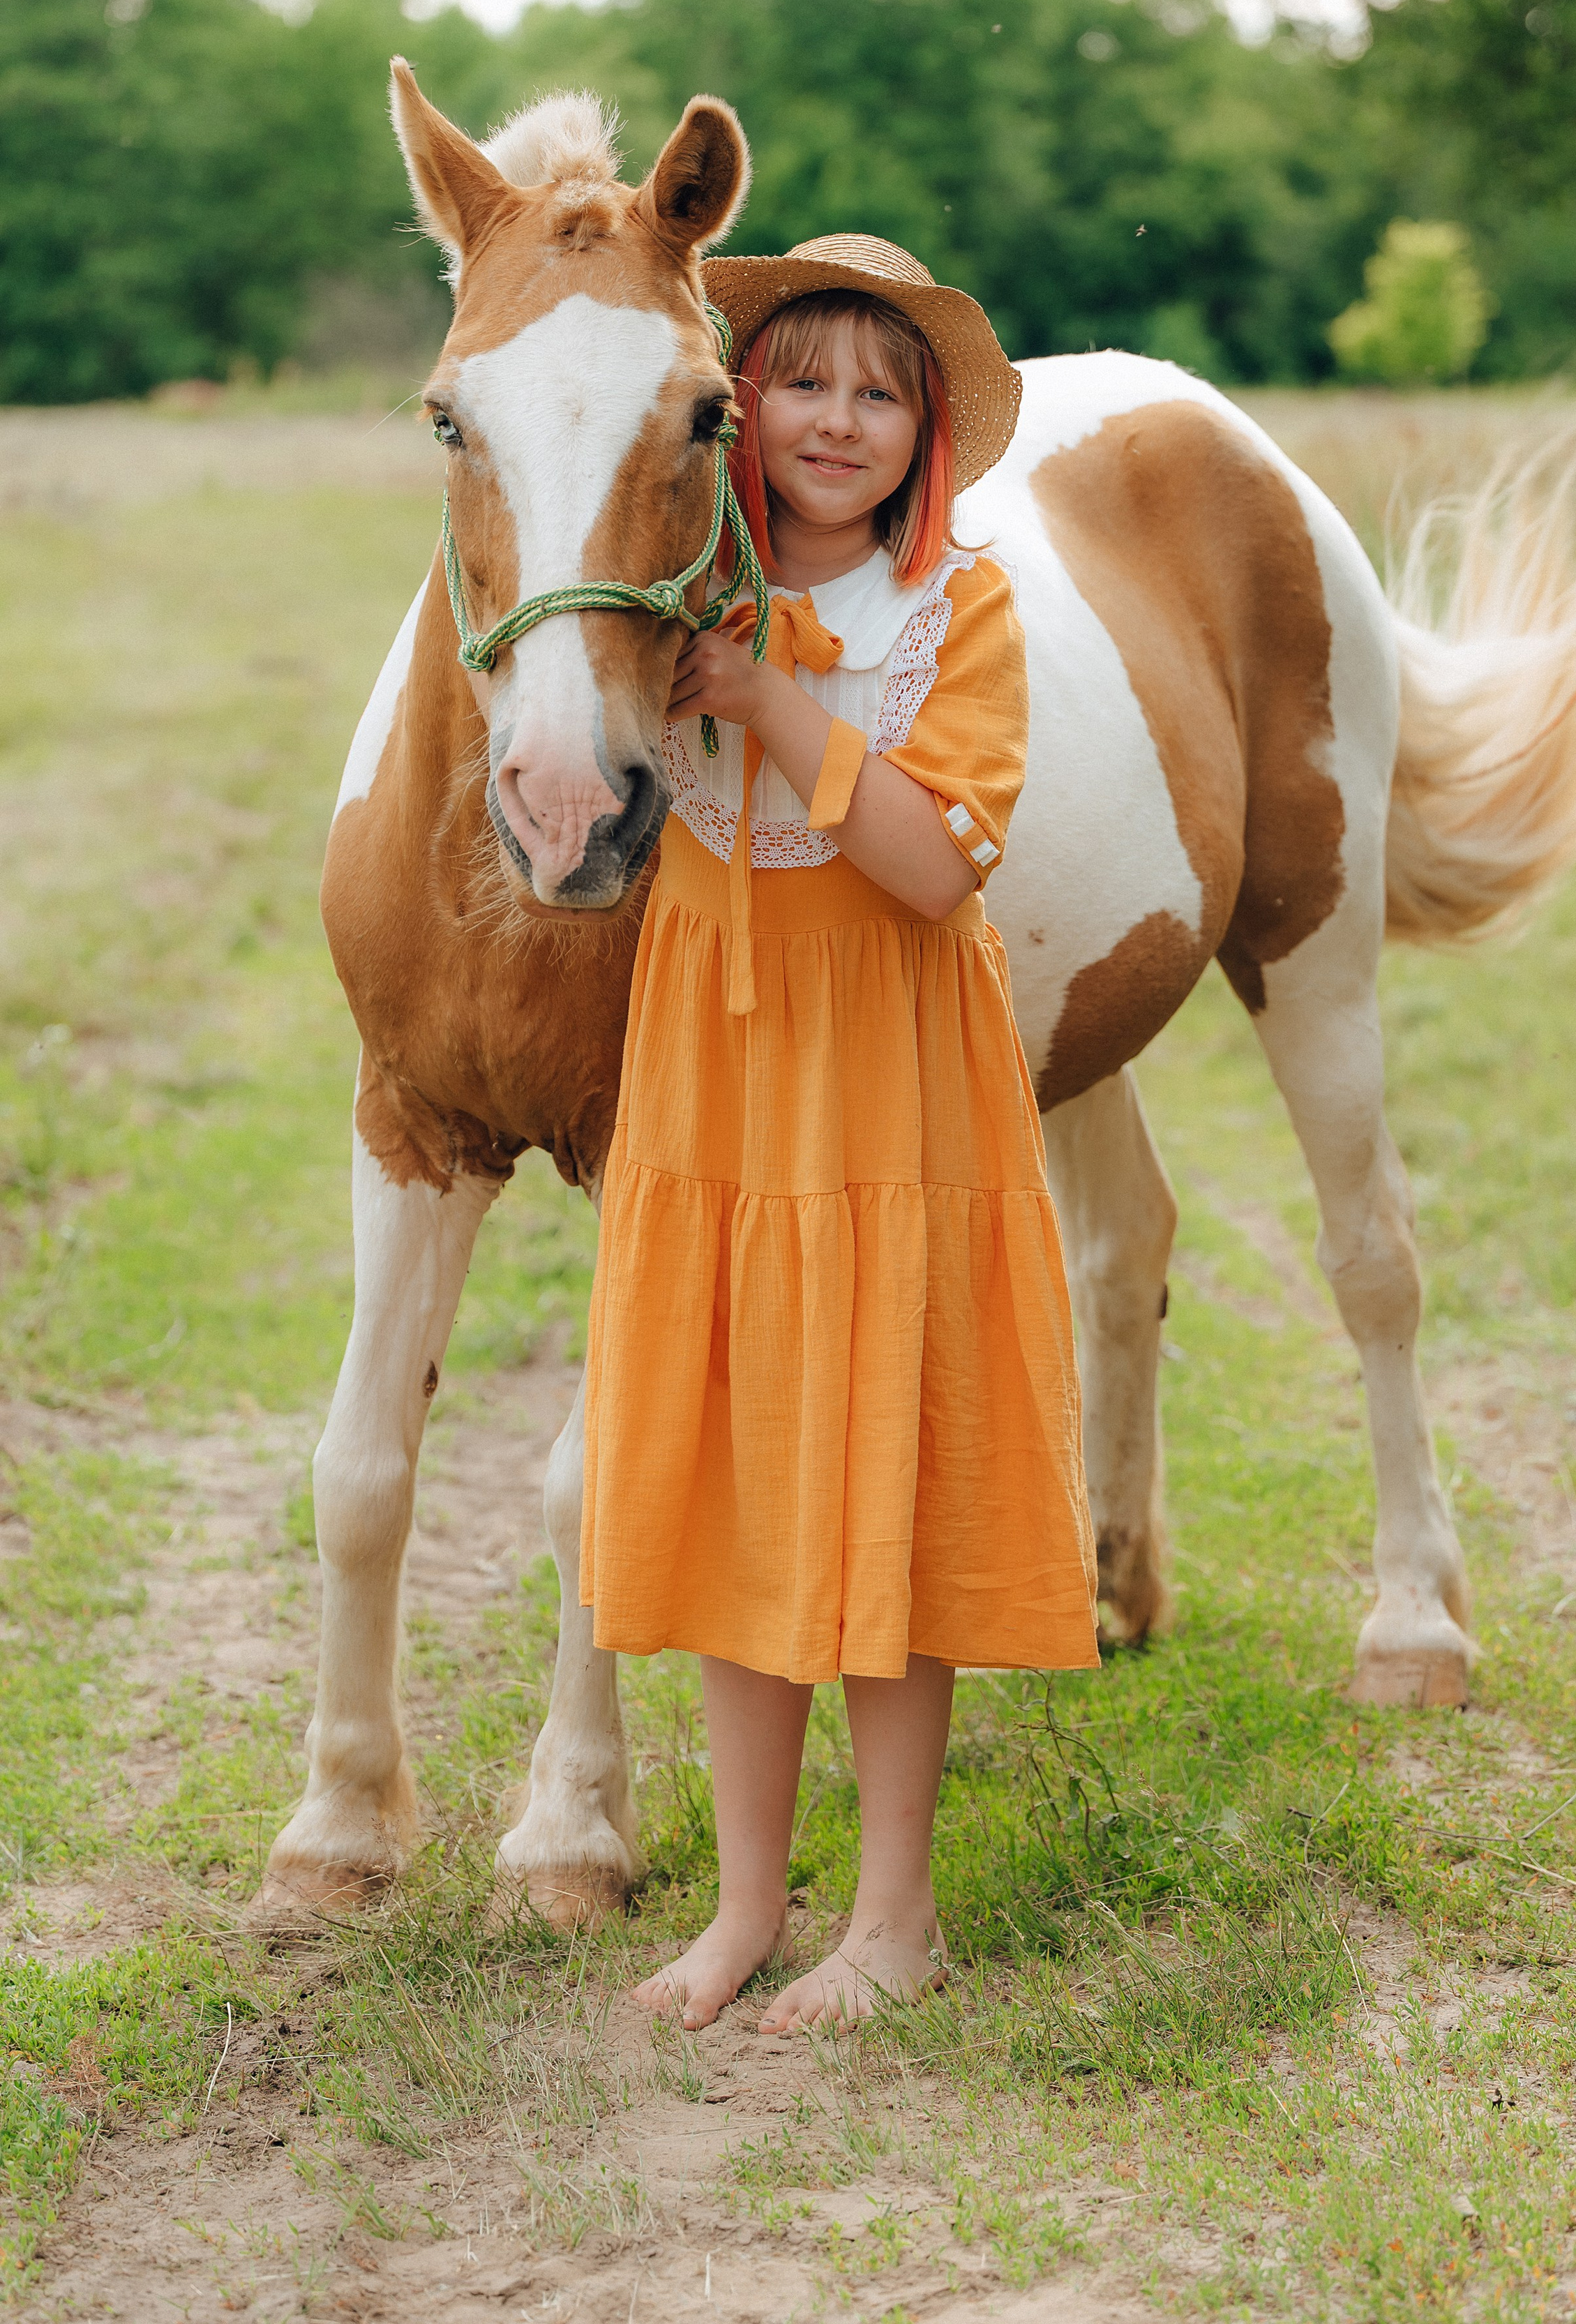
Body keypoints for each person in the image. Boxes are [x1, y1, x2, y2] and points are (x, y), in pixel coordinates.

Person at [580, 234, 1098, 2034]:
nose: (838, 419)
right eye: (801, 379)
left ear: (925, 433)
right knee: (741, 1466)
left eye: (882, 393)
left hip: (890, 1076)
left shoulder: (956, 607)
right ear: (739, 405)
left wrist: (772, 705)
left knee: (890, 1460)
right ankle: (744, 1906)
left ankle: (894, 1915)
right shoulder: (673, 593)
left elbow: (938, 868)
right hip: (719, 1078)